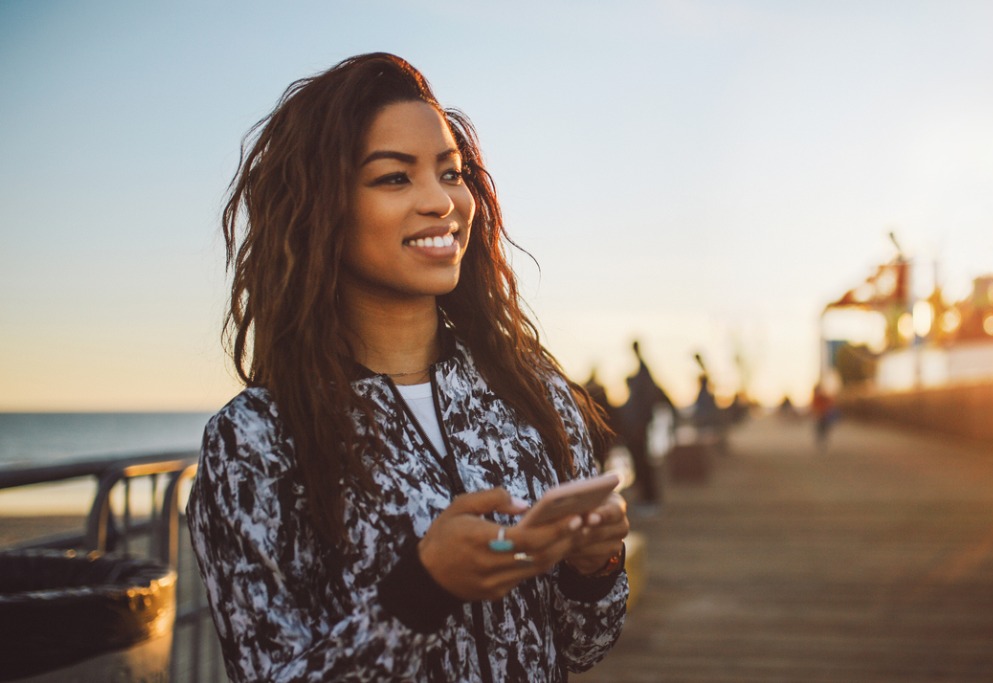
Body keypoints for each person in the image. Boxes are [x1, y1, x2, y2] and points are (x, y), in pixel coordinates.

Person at [186, 53, 629, 683]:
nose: (441, 202)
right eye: (395, 178)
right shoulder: (254, 440)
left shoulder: (534, 395)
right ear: (321, 209)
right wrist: (420, 594)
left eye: (451, 173)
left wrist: (596, 568)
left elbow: (583, 647)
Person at [619, 340, 673, 509]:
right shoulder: (638, 387)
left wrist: (640, 425)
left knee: (643, 465)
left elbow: (647, 394)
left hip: (639, 431)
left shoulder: (643, 379)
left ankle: (650, 500)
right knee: (640, 465)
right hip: (635, 431)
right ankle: (646, 498)